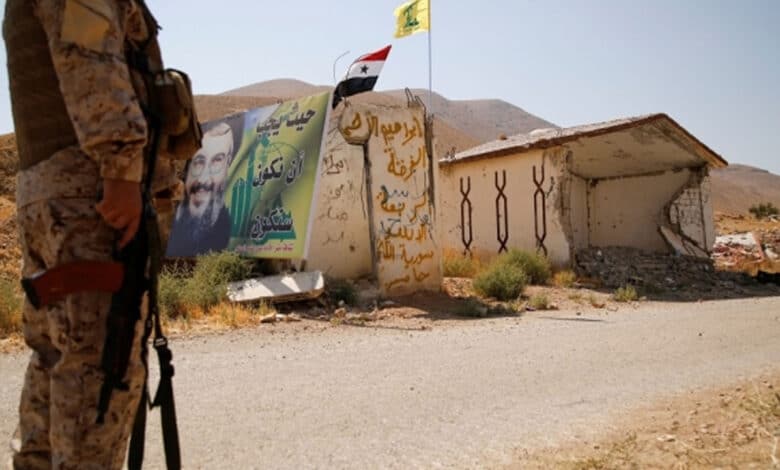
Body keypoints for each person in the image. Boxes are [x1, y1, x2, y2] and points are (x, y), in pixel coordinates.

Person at [3, 0, 175, 467]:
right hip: (90, 195)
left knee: (59, 359)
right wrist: (120, 167)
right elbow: (90, 56)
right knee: (96, 371)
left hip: (59, 194)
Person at [166, 121, 237, 257]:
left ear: (228, 163)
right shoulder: (171, 223)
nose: (204, 180)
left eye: (217, 161)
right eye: (198, 162)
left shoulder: (229, 230)